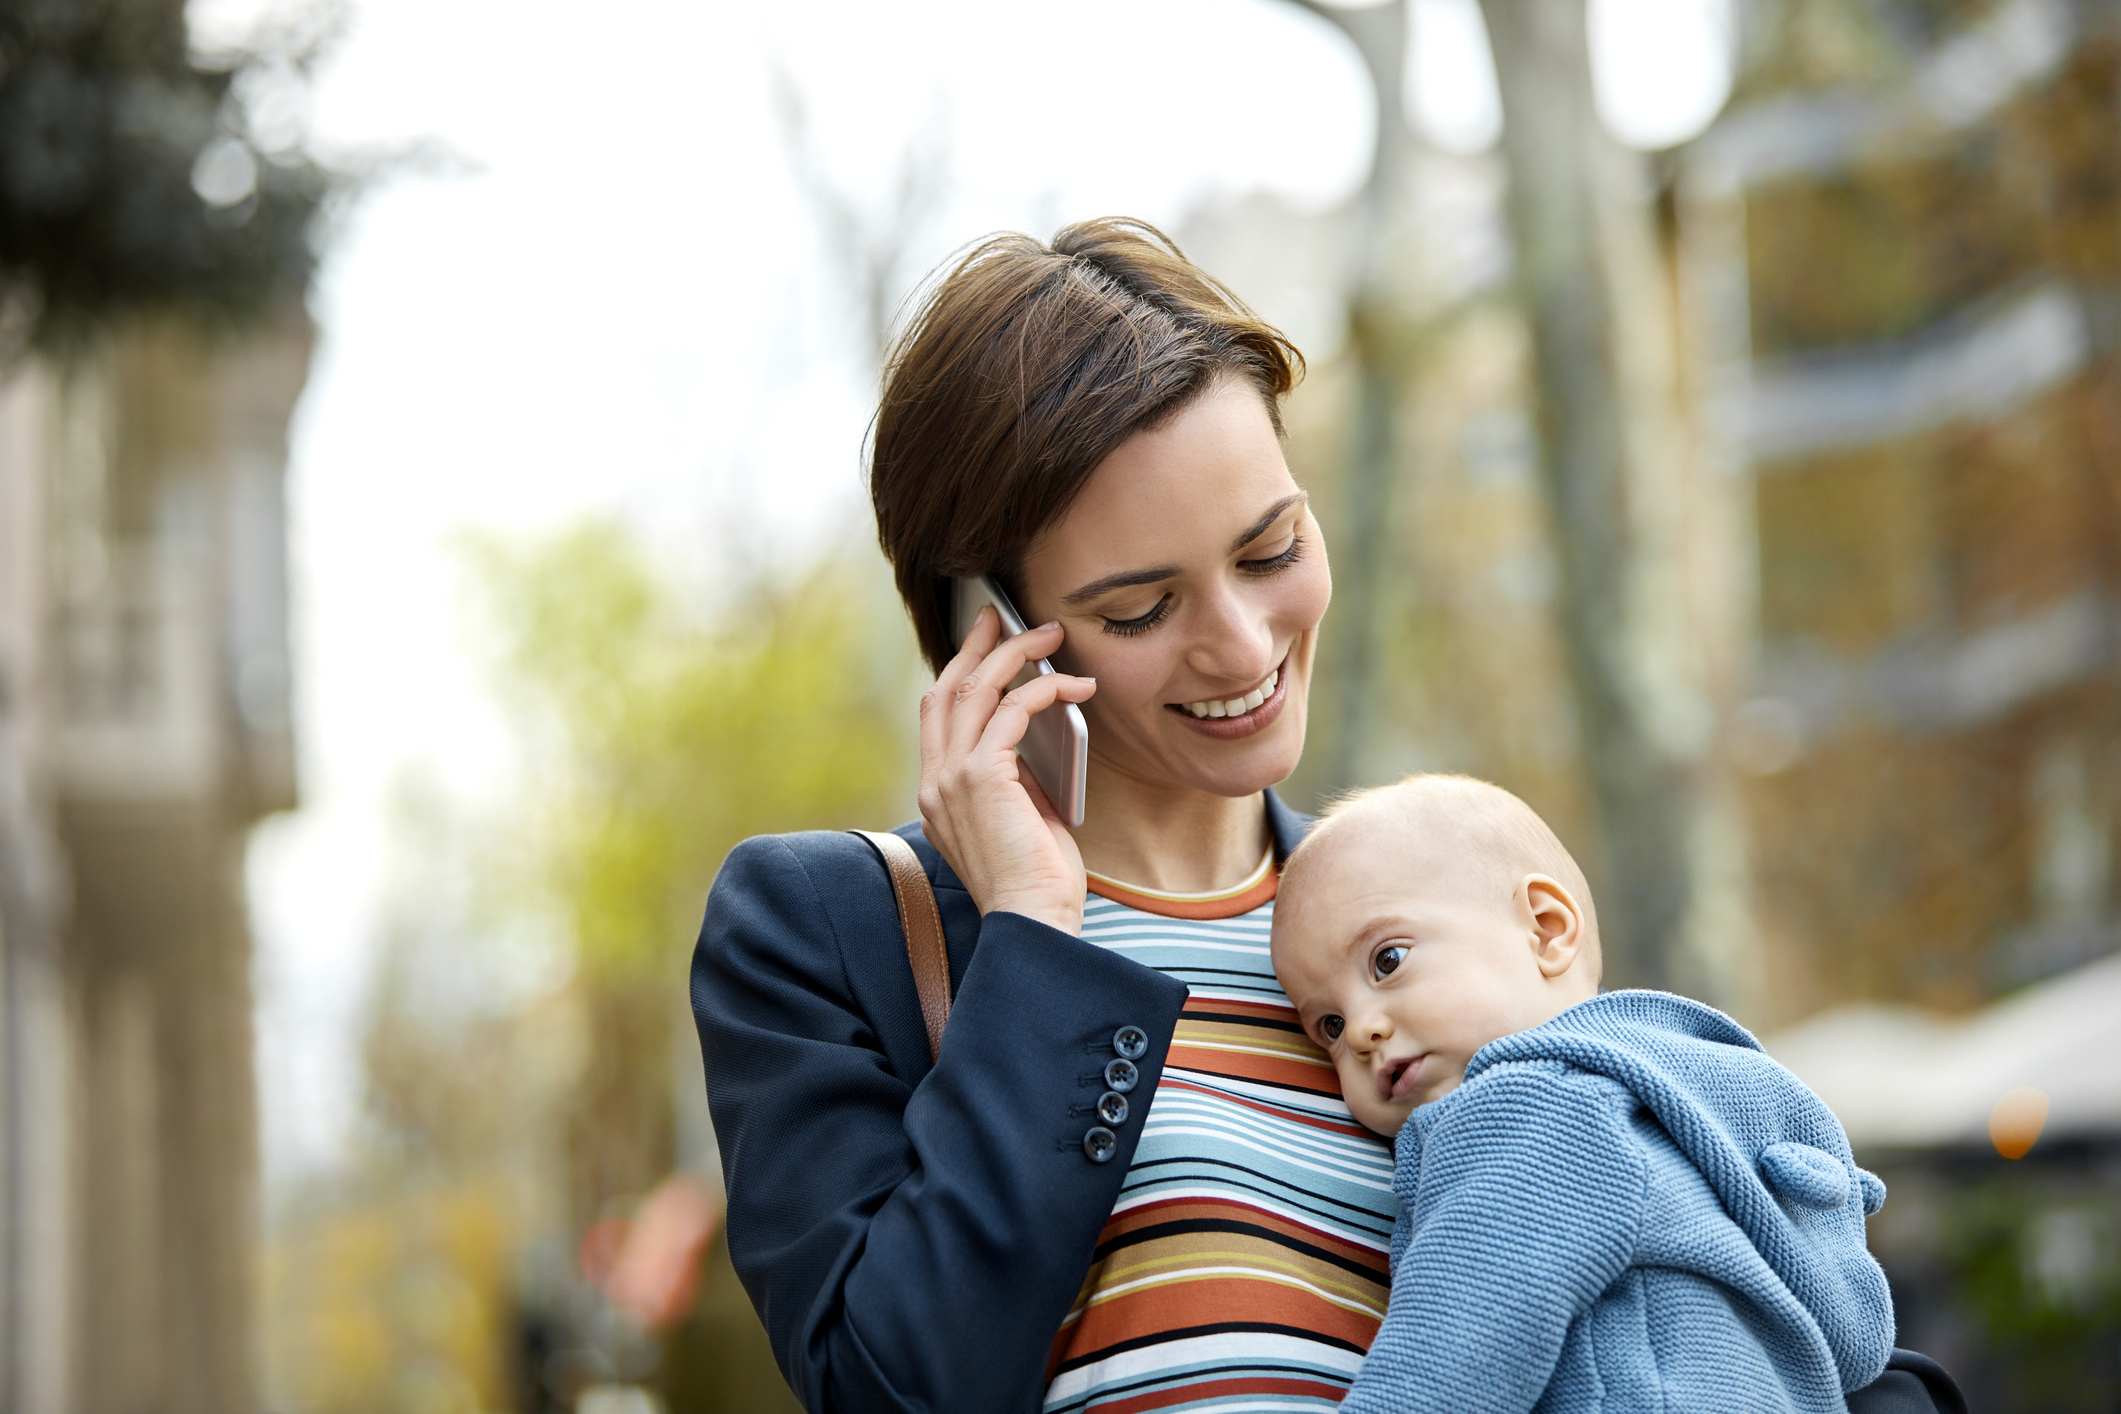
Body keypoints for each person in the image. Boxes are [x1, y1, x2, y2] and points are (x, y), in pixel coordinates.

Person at [691, 220, 1397, 1413]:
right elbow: (895, 1390)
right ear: (991, 627)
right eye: (1140, 608)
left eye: (1271, 547)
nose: (1240, 641)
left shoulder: (1415, 895)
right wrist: (1034, 933)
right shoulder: (819, 933)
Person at [1270, 774, 1897, 1414]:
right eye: (1330, 1026)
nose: (1365, 1031)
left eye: (1387, 961)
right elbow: (1858, 1340)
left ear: (1545, 929)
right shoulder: (1693, 1101)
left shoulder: (1532, 1112)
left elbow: (1447, 1365)